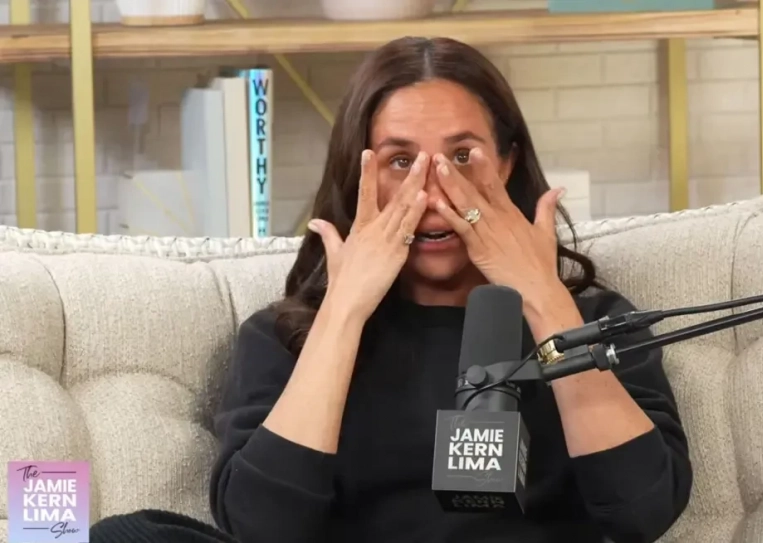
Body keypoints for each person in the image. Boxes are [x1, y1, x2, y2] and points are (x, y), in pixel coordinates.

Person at [90, 36, 692, 543]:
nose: (433, 193)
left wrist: (542, 298)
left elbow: (642, 514)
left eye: (462, 155)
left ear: (507, 163)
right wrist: (344, 311)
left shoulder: (594, 321)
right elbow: (261, 527)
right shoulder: (285, 336)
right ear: (359, 175)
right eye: (401, 162)